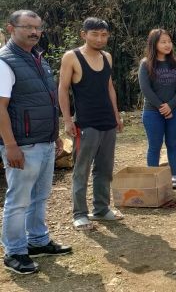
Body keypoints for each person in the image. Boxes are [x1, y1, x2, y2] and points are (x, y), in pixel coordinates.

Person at [0, 10, 71, 274]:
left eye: (38, 27)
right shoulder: (4, 62)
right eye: (27, 27)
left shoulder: (37, 58)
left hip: (43, 141)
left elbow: (47, 102)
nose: (34, 32)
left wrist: (54, 136)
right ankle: (15, 252)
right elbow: (1, 108)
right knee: (18, 200)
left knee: (40, 196)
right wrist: (10, 146)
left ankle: (38, 241)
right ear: (11, 28)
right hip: (22, 144)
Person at [58, 17, 123, 231]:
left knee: (105, 168)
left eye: (104, 34)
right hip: (85, 123)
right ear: (83, 34)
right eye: (94, 34)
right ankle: (79, 214)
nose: (99, 38)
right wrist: (67, 119)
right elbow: (63, 89)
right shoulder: (72, 57)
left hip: (107, 122)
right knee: (81, 169)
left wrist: (116, 116)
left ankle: (101, 209)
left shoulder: (107, 57)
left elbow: (109, 87)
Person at [138, 29, 176, 189]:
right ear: (154, 44)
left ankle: (174, 177)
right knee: (154, 145)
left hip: (174, 111)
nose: (167, 45)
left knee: (172, 144)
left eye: (169, 41)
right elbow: (145, 89)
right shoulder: (146, 64)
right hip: (152, 112)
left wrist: (170, 106)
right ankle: (153, 179)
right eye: (163, 42)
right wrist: (161, 106)